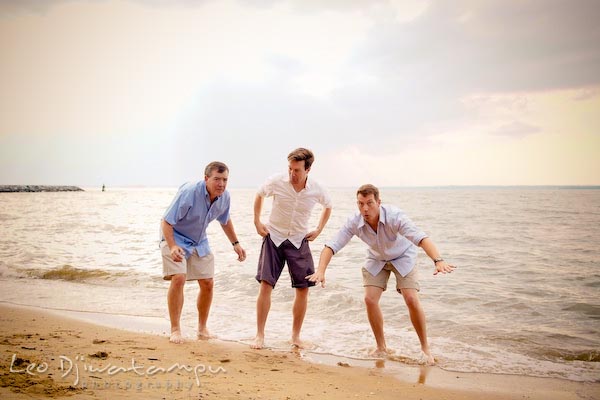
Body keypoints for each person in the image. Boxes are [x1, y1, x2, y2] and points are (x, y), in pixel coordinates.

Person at [306, 184, 454, 364]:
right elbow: (332, 245)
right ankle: (381, 347)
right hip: (377, 259)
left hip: (403, 256)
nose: (365, 209)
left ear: (378, 202)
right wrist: (321, 270)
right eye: (360, 204)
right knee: (369, 299)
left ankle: (425, 349)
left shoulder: (394, 216)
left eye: (369, 203)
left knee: (411, 299)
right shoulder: (354, 221)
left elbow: (421, 238)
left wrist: (438, 260)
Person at [252, 148, 333, 349]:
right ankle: (259, 335)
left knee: (303, 289)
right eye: (290, 168)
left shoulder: (317, 189)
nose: (292, 174)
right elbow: (259, 194)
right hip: (274, 237)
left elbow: (328, 206)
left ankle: (295, 337)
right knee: (265, 284)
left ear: (308, 169)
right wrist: (256, 221)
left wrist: (318, 229)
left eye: (296, 170)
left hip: (299, 240)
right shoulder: (277, 181)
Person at [160, 161, 246, 344]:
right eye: (217, 179)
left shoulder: (224, 197)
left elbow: (225, 220)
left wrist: (236, 243)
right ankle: (175, 329)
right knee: (179, 277)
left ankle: (202, 328)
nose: (221, 184)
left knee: (207, 282)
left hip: (199, 240)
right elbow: (166, 222)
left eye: (224, 180)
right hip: (174, 236)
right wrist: (173, 246)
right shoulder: (189, 193)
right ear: (206, 178)